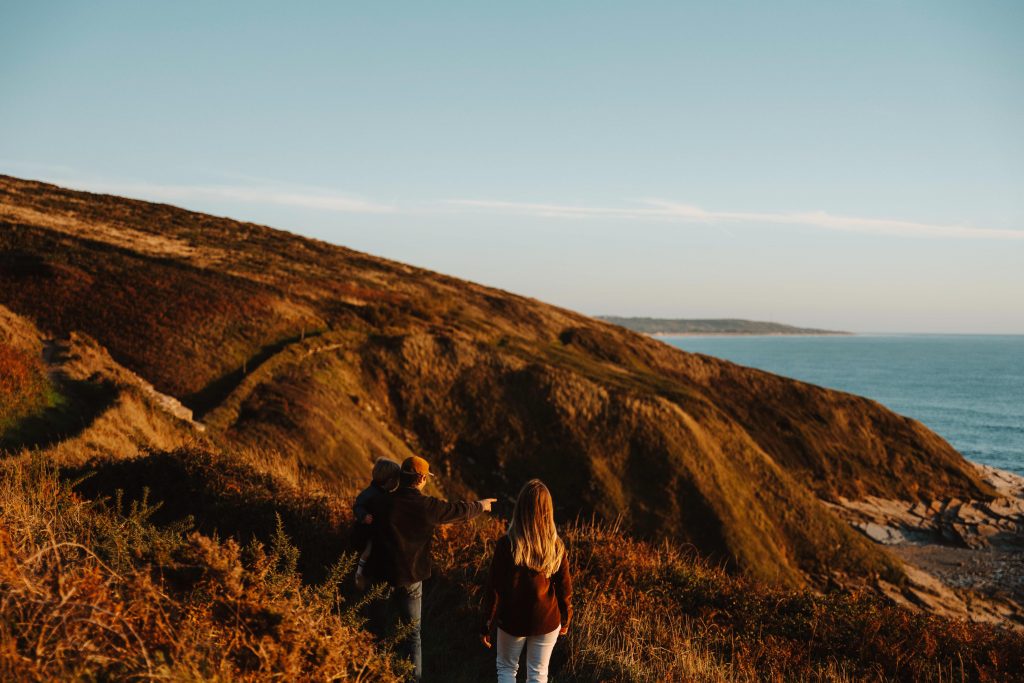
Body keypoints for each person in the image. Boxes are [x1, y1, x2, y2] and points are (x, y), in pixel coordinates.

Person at [365, 455, 497, 681]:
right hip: (412, 576)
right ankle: (413, 679)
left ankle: (371, 673)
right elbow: (459, 511)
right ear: (423, 478)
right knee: (412, 635)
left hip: (382, 574)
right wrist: (481, 506)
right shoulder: (428, 507)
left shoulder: (381, 502)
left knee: (376, 628)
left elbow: (363, 524)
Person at [480, 479, 572, 683]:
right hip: (547, 618)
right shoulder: (556, 546)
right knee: (538, 674)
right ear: (548, 511)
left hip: (512, 618)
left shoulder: (507, 544)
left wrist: (487, 622)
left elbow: (494, 587)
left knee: (506, 668)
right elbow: (564, 587)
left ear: (520, 508)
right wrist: (566, 617)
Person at [352, 457, 402, 590]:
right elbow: (358, 505)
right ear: (390, 481)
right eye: (397, 479)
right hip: (367, 530)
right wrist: (363, 516)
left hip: (377, 530)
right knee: (368, 550)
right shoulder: (370, 493)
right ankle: (359, 573)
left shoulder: (384, 493)